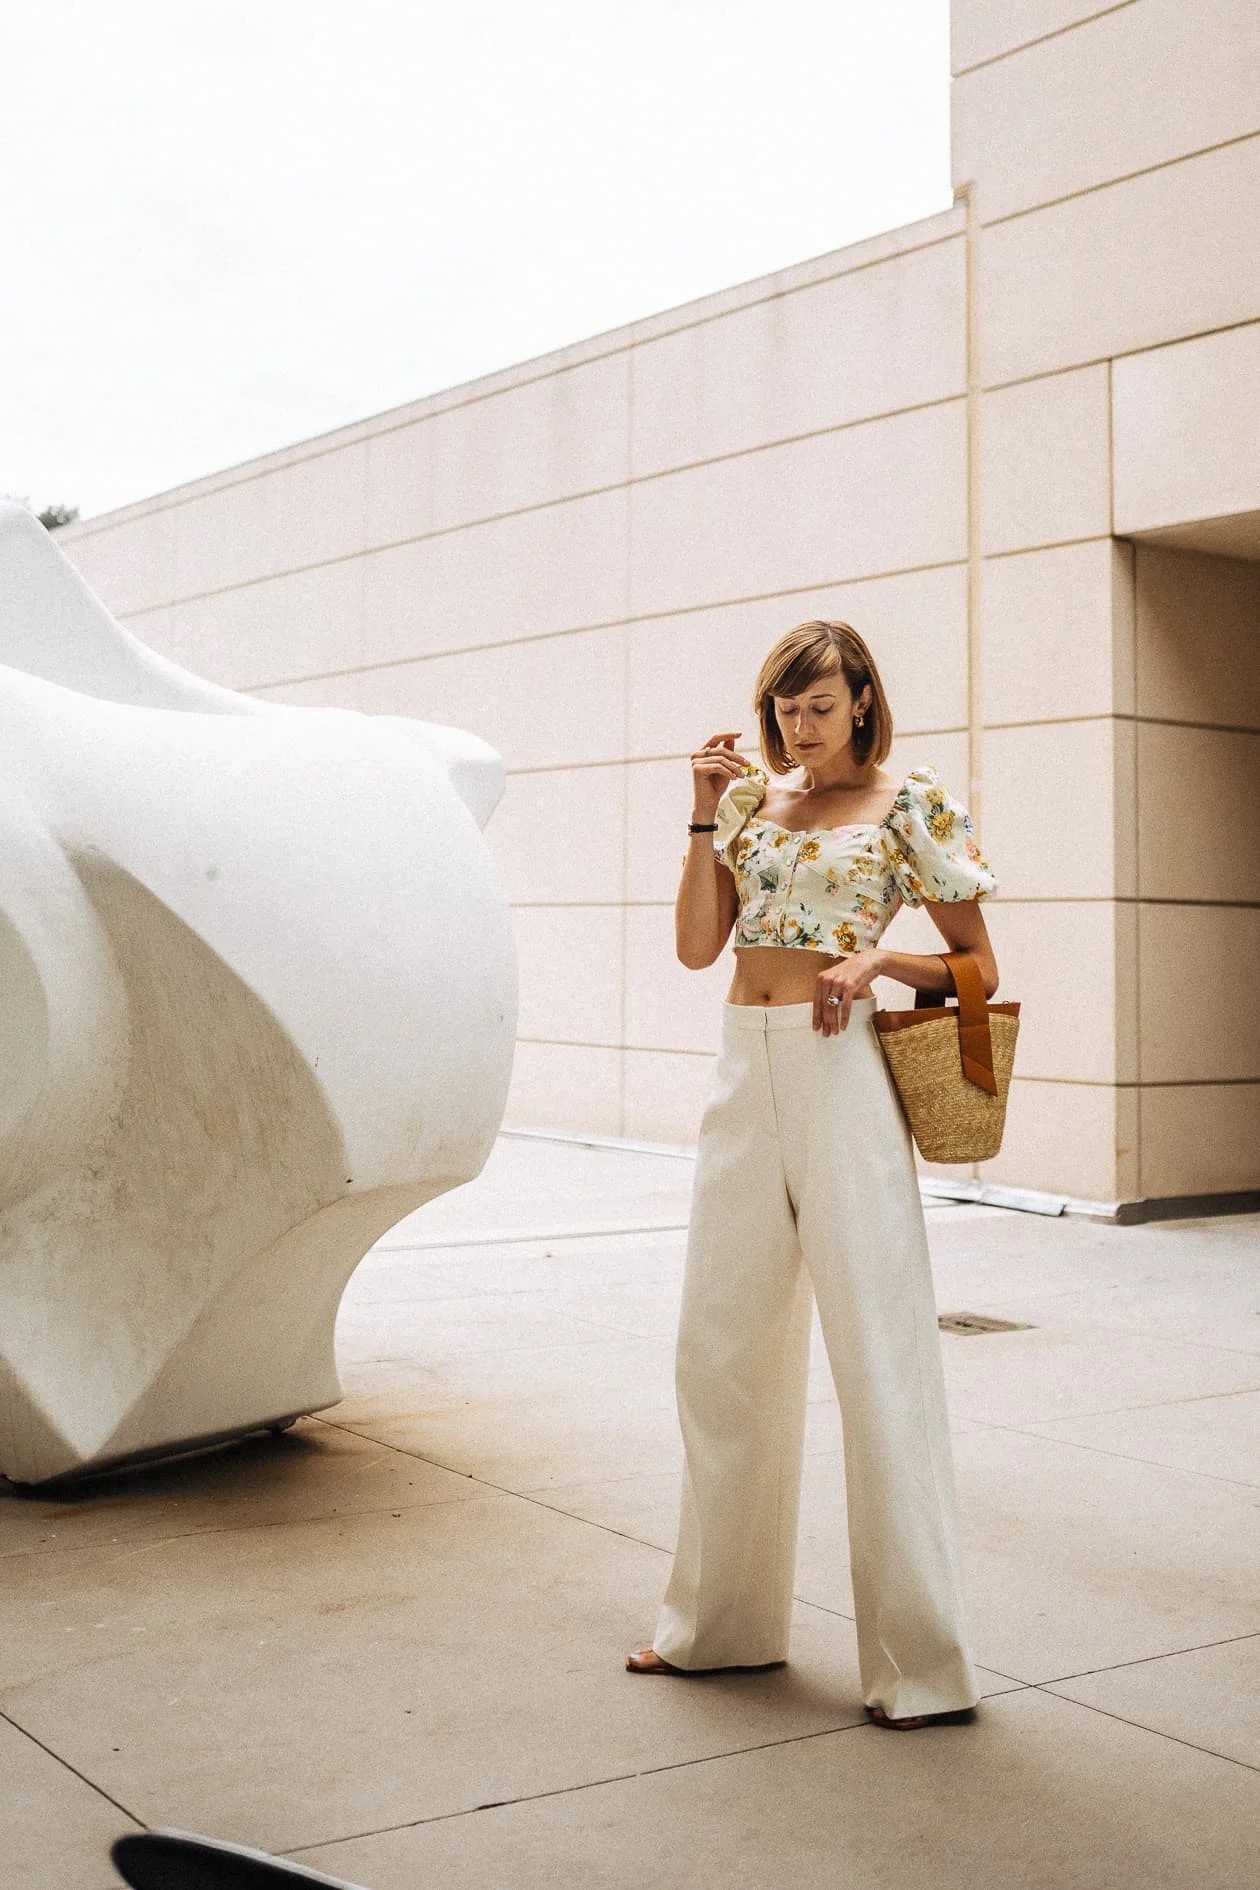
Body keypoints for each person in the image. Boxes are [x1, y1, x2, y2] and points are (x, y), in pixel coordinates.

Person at [626, 619, 998, 1730]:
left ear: (865, 700)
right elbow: (700, 949)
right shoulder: (749, 806)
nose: (800, 723)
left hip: (844, 1074)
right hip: (744, 1071)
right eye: (787, 705)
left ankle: (920, 1666)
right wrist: (702, 809)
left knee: (879, 1358)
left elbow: (978, 966)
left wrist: (883, 957)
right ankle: (719, 1629)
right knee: (720, 1349)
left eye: (821, 704)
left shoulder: (909, 804)